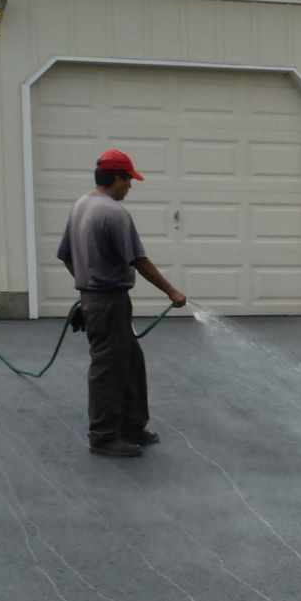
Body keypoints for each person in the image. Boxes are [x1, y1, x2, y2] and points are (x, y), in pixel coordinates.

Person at [55, 149, 187, 458]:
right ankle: (103, 437)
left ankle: (131, 426)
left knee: (130, 364)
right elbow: (139, 260)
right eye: (129, 180)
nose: (130, 186)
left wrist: (85, 290)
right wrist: (172, 292)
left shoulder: (81, 206)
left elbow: (65, 256)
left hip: (97, 300)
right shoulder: (114, 213)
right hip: (109, 302)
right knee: (109, 370)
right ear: (117, 178)